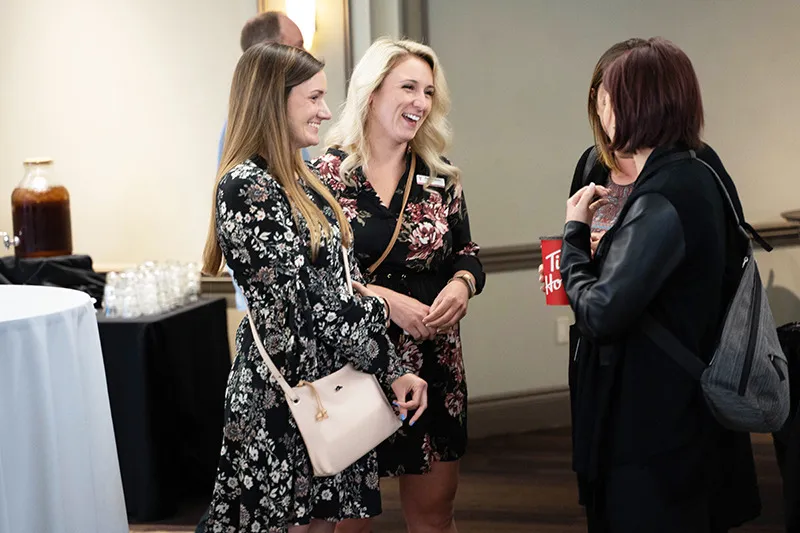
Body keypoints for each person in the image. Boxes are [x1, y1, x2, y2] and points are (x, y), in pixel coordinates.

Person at [197, 42, 428, 533]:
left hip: (327, 390)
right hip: (284, 401)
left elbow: (338, 287)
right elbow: (307, 310)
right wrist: (386, 313)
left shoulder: (300, 180)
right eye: (314, 98)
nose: (326, 112)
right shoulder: (247, 187)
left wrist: (391, 368)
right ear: (272, 100)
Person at [540, 38, 761, 531]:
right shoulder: (657, 174)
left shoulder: (675, 186)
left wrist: (574, 235)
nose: (601, 112)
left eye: (609, 99)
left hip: (658, 403)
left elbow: (600, 312)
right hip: (638, 388)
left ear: (645, 104)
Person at [314, 38, 485, 533]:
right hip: (353, 364)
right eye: (408, 87)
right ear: (371, 93)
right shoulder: (322, 178)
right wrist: (389, 303)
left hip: (434, 364)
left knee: (434, 517)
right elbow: (316, 276)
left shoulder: (440, 177)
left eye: (428, 92)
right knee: (347, 524)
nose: (421, 102)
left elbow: (467, 252)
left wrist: (462, 283)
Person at [219, 11, 308, 311]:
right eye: (298, 46)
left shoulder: (292, 126)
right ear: (273, 52)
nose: (304, 56)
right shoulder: (245, 133)